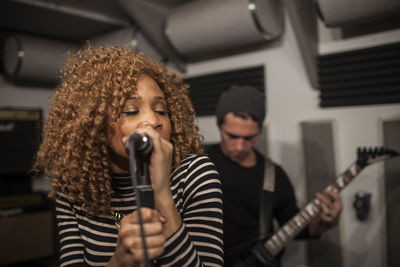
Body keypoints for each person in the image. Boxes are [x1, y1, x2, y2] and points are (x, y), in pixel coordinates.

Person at [33, 45, 223, 267]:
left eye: (162, 111)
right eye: (131, 111)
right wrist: (120, 262)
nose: (153, 120)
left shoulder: (195, 174)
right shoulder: (73, 188)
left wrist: (161, 194)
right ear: (94, 126)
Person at [206, 85, 342, 266]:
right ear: (220, 126)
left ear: (259, 131)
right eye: (231, 136)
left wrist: (326, 223)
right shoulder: (198, 160)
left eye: (249, 138)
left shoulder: (271, 174)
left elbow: (296, 228)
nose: (239, 146)